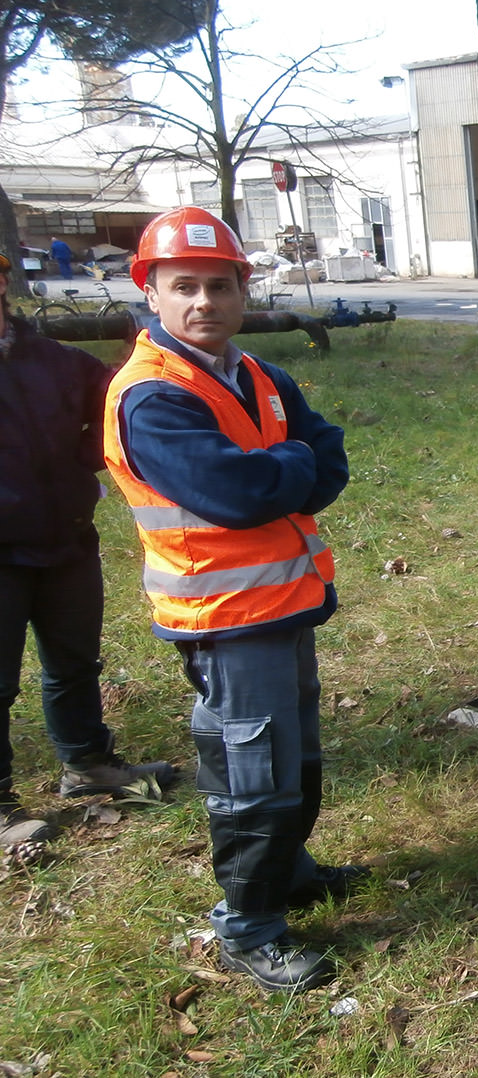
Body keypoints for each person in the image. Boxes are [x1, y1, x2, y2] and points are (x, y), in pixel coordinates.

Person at [102, 208, 364, 993]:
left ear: (243, 291)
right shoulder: (153, 397)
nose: (203, 302)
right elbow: (237, 492)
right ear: (151, 292)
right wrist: (286, 465)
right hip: (224, 622)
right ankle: (248, 929)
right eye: (183, 287)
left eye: (219, 286)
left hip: (285, 606)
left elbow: (329, 458)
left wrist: (279, 465)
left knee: (299, 758)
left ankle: (288, 872)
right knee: (254, 777)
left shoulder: (256, 376)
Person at [1, 252, 177, 849]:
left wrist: (84, 469)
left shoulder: (52, 362)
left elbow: (117, 408)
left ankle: (87, 766)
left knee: (74, 664)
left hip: (66, 539)